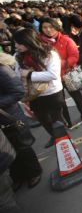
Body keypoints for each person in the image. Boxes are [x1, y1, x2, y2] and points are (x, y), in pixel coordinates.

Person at [13, 28, 65, 148]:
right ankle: (54, 137)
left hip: (52, 93)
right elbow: (17, 73)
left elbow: (53, 75)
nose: (16, 46)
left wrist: (30, 74)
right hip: (33, 95)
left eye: (19, 43)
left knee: (57, 121)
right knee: (43, 120)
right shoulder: (18, 56)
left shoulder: (49, 52)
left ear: (28, 41)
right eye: (15, 43)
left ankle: (63, 144)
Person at [0, 52, 42, 190]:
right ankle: (18, 177)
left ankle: (34, 172)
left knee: (22, 145)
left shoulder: (2, 69)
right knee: (7, 148)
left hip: (11, 116)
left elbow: (18, 92)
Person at [39, 17, 82, 127]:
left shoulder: (66, 40)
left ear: (56, 27)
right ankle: (67, 122)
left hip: (68, 74)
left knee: (76, 95)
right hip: (52, 78)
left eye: (51, 27)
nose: (48, 30)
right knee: (60, 101)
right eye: (44, 27)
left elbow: (74, 56)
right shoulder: (39, 43)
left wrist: (57, 65)